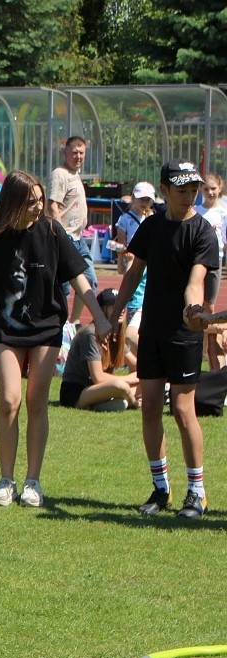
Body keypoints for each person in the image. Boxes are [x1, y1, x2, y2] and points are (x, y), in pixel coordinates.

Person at [0, 170, 110, 508]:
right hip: (9, 331)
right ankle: (5, 480)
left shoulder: (51, 231)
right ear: (13, 203)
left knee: (36, 401)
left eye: (40, 200)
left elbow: (78, 278)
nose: (38, 207)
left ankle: (33, 481)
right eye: (30, 202)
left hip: (46, 329)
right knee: (9, 401)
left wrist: (99, 317)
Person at [108, 160, 219, 520]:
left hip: (183, 333)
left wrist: (192, 310)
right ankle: (161, 488)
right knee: (152, 407)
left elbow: (195, 280)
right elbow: (133, 274)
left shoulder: (202, 231)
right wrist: (114, 313)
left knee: (184, 411)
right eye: (182, 189)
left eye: (194, 189)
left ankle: (197, 493)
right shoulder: (151, 227)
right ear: (165, 191)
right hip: (152, 329)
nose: (190, 195)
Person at [59, 288, 139, 411]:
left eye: (123, 305)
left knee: (148, 381)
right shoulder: (90, 333)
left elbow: (137, 366)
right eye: (114, 306)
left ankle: (110, 402)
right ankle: (133, 402)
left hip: (101, 389)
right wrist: (129, 379)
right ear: (102, 309)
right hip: (77, 392)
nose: (121, 310)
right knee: (120, 386)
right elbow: (98, 378)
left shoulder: (116, 335)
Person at [47, 135, 97, 326]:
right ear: (65, 152)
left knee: (90, 280)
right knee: (64, 287)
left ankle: (73, 323)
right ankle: (58, 325)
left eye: (81, 152)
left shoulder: (75, 175)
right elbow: (52, 206)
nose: (78, 156)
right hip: (66, 238)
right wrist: (62, 237)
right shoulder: (60, 174)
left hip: (79, 238)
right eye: (74, 152)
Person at [113, 181, 157, 369]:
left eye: (148, 199)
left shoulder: (154, 218)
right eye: (141, 199)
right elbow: (120, 246)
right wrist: (123, 257)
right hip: (133, 265)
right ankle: (140, 368)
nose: (144, 202)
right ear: (133, 199)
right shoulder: (125, 220)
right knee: (130, 322)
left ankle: (147, 365)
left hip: (149, 268)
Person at [195, 172, 226, 368]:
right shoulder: (196, 211)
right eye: (206, 189)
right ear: (201, 190)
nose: (210, 192)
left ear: (220, 188)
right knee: (196, 304)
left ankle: (210, 348)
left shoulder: (223, 212)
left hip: (216, 261)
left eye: (213, 188)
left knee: (210, 306)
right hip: (198, 261)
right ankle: (200, 346)